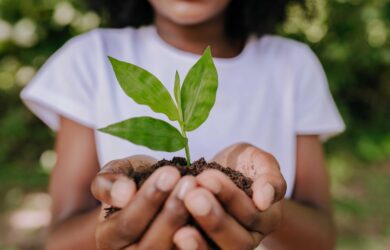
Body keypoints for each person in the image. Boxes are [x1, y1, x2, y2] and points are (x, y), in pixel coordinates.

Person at [21, 0, 345, 249]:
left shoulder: (292, 66)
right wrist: (130, 209)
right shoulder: (89, 59)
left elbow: (321, 238)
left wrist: (259, 202)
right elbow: (60, 240)